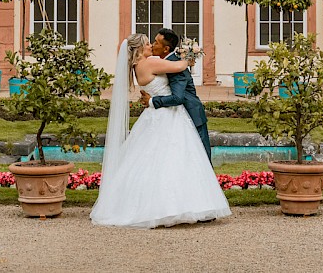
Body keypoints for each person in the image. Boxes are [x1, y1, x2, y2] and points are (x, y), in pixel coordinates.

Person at [90, 33, 231, 229]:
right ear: (139, 49)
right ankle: (171, 207)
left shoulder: (140, 65)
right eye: (148, 43)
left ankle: (146, 205)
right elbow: (180, 66)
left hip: (154, 116)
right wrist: (191, 53)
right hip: (167, 115)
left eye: (153, 42)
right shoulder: (150, 64)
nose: (151, 46)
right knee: (174, 160)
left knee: (150, 161)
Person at [140, 28, 211, 160]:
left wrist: (152, 101)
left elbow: (178, 97)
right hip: (174, 117)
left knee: (200, 160)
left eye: (156, 42)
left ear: (166, 49)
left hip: (191, 116)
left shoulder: (174, 65)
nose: (152, 45)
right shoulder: (166, 63)